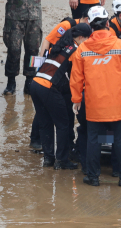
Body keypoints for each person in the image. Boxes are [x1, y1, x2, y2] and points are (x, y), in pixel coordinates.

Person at [70, 6, 121, 187]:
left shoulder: (83, 49)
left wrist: (76, 99)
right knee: (120, 139)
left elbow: (76, 78)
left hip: (94, 104)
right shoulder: (120, 46)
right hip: (117, 103)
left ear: (91, 24)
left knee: (93, 140)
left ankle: (93, 177)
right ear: (106, 22)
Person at [30, 24, 92, 170]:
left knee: (45, 123)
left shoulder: (61, 45)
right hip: (47, 87)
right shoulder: (76, 50)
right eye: (88, 38)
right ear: (82, 37)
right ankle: (62, 160)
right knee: (63, 124)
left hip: (35, 84)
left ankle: (48, 158)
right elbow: (75, 76)